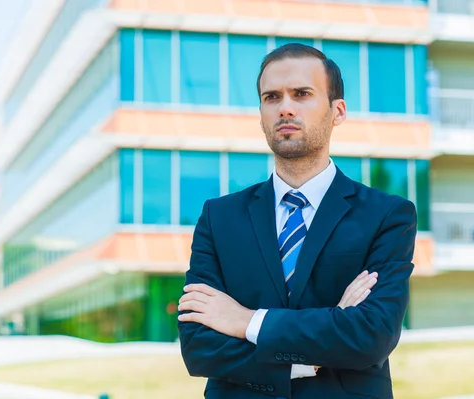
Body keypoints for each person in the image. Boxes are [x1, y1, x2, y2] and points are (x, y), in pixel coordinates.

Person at [177, 43, 417, 399]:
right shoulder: (219, 217)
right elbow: (199, 346)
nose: (285, 108)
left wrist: (246, 321)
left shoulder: (387, 215)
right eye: (271, 97)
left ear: (337, 111)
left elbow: (371, 336)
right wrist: (321, 345)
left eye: (302, 94)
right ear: (260, 113)